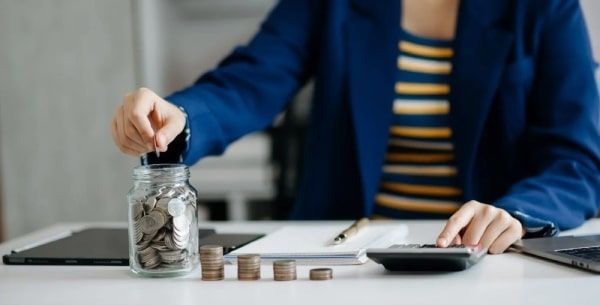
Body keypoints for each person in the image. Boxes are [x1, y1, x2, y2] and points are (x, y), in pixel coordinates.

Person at [111, 0, 600, 253]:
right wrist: (179, 116)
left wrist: (517, 212)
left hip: (485, 261)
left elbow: (577, 160)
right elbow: (252, 78)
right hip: (345, 259)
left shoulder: (543, 6)